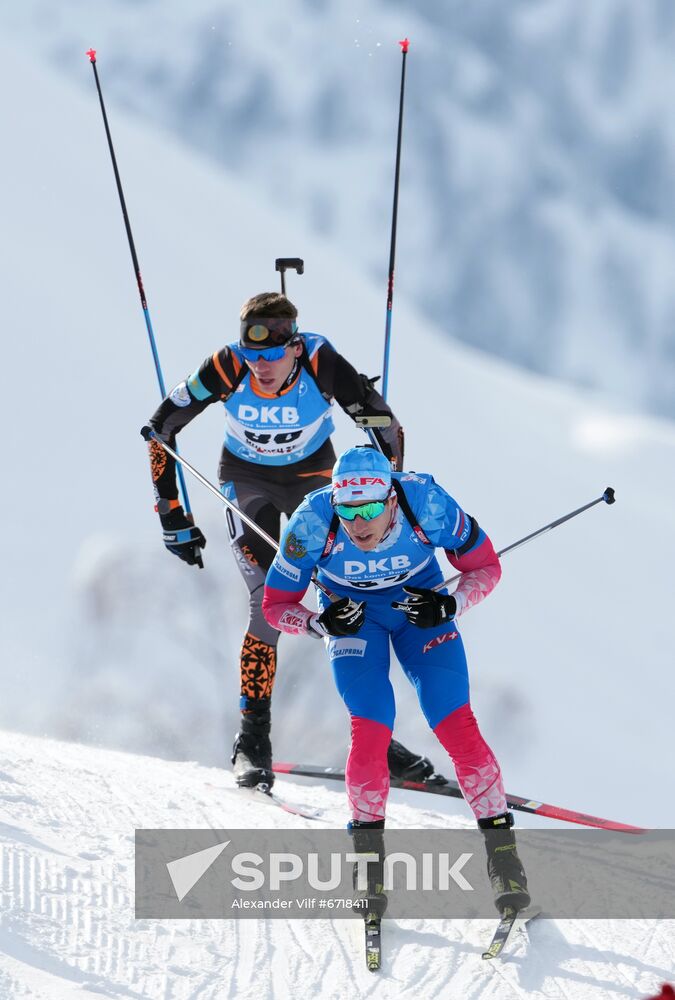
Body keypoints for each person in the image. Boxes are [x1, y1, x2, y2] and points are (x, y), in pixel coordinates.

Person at [143, 292, 439, 790]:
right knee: (267, 605)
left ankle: (375, 740)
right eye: (251, 355)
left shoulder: (321, 360)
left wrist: (391, 508)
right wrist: (173, 513)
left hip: (316, 486)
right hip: (247, 484)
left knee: (346, 605)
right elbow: (160, 428)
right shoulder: (225, 365)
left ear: (295, 348)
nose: (259, 367)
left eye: (271, 356)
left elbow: (387, 427)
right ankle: (252, 741)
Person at [262, 444, 530, 915]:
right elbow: (275, 606)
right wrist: (319, 623)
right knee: (370, 731)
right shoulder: (310, 522)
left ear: (390, 499)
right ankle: (368, 866)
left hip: (418, 613)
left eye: (368, 509)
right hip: (355, 622)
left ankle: (503, 858)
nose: (358, 523)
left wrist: (450, 605)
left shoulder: (426, 502)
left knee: (456, 726)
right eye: (348, 512)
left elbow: (487, 566)